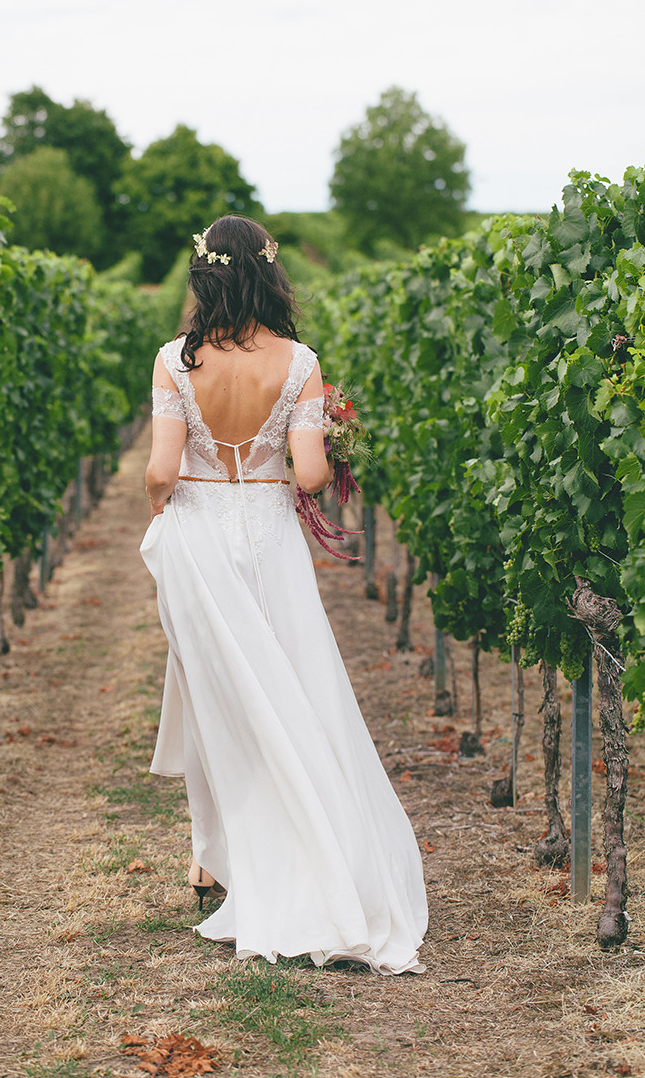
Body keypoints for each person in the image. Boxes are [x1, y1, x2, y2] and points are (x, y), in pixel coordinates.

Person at [140, 215, 428, 973]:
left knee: (217, 698)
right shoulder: (300, 363)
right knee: (293, 694)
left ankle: (217, 859)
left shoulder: (176, 359)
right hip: (269, 541)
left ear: (204, 275)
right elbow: (306, 477)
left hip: (201, 539)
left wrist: (156, 505)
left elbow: (162, 470)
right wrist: (328, 439)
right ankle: (298, 853)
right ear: (270, 274)